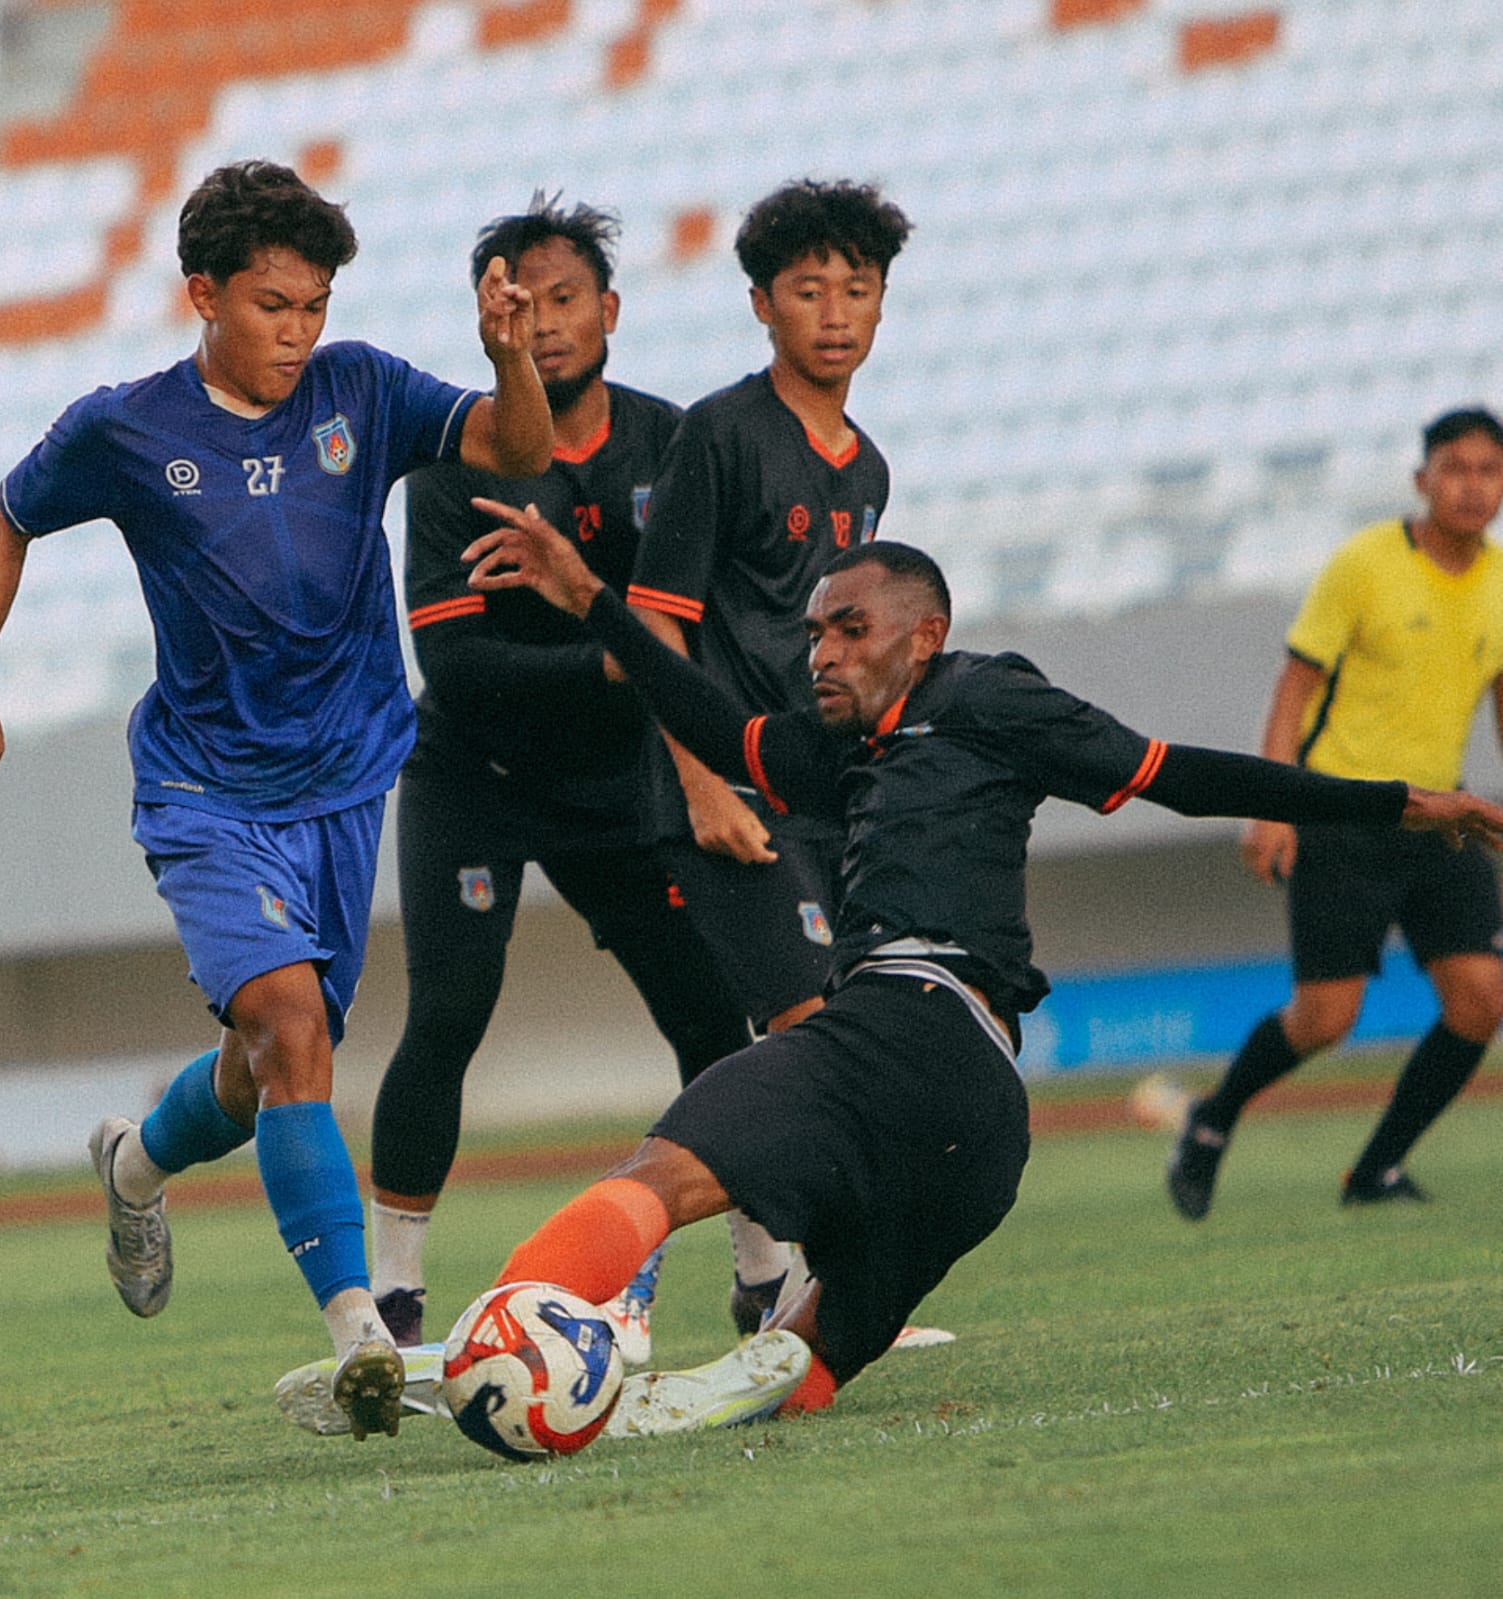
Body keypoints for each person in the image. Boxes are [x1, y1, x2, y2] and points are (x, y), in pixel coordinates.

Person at [438, 514, 1503, 1431]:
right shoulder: (842, 748)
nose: (822, 654)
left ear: (926, 634)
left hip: (904, 1029)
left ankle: (491, 1337)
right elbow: (720, 726)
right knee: (805, 1364)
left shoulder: (990, 698)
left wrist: (1403, 800)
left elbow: (1177, 774)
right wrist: (594, 602)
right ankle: (719, 1376)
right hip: (983, 1129)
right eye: (814, 634)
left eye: (850, 631)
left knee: (665, 1171)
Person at [0, 159, 553, 1441]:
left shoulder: (365, 389)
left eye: (315, 306)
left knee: (262, 1063)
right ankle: (357, 1339)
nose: (299, 332)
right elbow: (3, 521)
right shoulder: (124, 426)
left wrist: (511, 361)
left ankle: (135, 1164)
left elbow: (515, 449)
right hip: (205, 789)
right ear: (202, 294)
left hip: (342, 785)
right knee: (293, 1028)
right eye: (275, 305)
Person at [365, 195, 751, 1363]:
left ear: (610, 311)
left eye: (564, 299)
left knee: (711, 1018)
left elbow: (709, 626)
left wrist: (631, 667)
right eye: (517, 305)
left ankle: (766, 1268)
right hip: (473, 778)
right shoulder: (449, 462)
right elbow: (462, 667)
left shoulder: (676, 445)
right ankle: (387, 1311)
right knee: (446, 1017)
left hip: (627, 786)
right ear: (490, 318)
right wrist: (624, 655)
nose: (542, 325)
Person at [627, 178, 914, 1332]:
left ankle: (745, 1279)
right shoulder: (722, 433)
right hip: (720, 794)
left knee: (819, 1038)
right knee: (813, 1041)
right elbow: (655, 618)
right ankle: (810, 1294)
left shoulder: (869, 467)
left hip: (816, 796)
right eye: (810, 289)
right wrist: (699, 779)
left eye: (858, 288)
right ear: (761, 303)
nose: (835, 311)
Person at [1167, 407, 1503, 1220]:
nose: (1472, 484)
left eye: (1488, 469)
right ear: (1422, 479)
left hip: (1443, 813)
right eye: (1454, 467)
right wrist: (1271, 808)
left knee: (1482, 998)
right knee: (1325, 1019)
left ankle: (1375, 1170)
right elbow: (1294, 689)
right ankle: (1211, 1119)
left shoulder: (1499, 582)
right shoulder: (1363, 564)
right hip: (1344, 811)